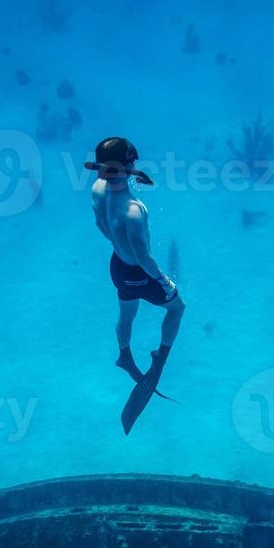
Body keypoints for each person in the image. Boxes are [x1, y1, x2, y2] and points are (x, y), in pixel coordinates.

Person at [86, 138, 186, 405]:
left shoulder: (96, 189)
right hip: (139, 272)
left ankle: (125, 355)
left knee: (127, 313)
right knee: (178, 308)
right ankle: (160, 358)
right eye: (132, 162)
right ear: (126, 165)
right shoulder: (134, 210)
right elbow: (143, 257)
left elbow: (99, 224)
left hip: (117, 266)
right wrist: (163, 281)